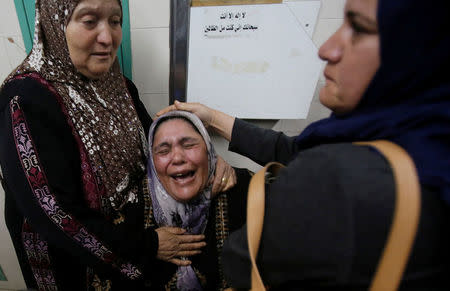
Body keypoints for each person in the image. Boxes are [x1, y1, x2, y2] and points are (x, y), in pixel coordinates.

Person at [157, 0, 450, 289]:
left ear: (416, 46)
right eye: (163, 149)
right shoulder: (426, 143)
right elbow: (295, 152)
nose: (326, 49)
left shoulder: (332, 178)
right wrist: (214, 119)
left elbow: (244, 263)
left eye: (359, 28)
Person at [0, 0, 235, 290]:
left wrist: (207, 160)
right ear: (54, 24)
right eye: (89, 21)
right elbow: (55, 215)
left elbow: (154, 142)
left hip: (127, 235)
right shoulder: (26, 100)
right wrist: (148, 245)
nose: (107, 37)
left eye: (115, 21)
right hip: (71, 261)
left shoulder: (116, 84)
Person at [146, 111, 251, 290]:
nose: (178, 158)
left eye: (189, 145)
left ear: (208, 150)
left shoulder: (245, 189)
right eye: (163, 151)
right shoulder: (136, 203)